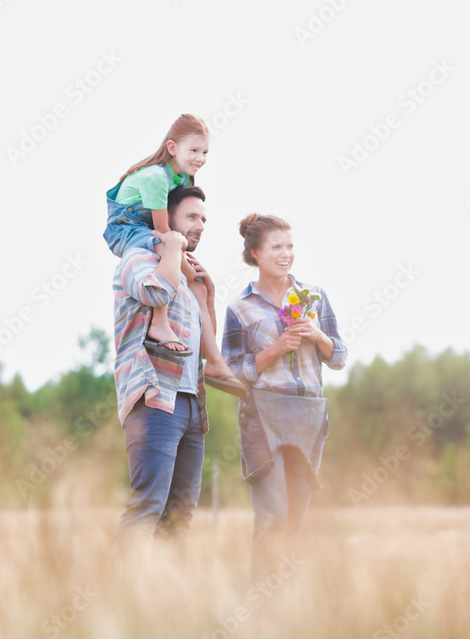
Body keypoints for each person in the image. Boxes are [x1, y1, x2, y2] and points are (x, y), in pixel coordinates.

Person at [222, 213, 347, 578]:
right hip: (263, 415)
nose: (286, 254)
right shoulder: (240, 308)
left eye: (290, 246)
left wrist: (317, 336)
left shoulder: (314, 297)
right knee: (272, 514)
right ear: (255, 253)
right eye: (277, 247)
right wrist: (275, 350)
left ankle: (290, 604)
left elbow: (338, 357)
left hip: (308, 414)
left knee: (297, 518)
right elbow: (231, 372)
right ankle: (261, 602)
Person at [103, 114, 244, 397]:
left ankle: (215, 361)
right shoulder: (157, 177)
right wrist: (185, 269)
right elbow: (164, 231)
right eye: (193, 150)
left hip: (146, 228)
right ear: (172, 148)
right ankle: (160, 322)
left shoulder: (178, 177)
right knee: (172, 247)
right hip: (126, 227)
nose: (200, 158)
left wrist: (197, 282)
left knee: (192, 278)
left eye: (204, 152)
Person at [112, 185, 219, 544]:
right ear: (166, 217)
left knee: (180, 514)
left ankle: (165, 596)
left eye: (204, 218)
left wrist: (208, 295)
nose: (201, 224)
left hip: (190, 403)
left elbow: (206, 349)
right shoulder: (136, 259)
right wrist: (172, 247)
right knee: (148, 506)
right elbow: (156, 292)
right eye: (192, 216)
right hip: (155, 397)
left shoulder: (187, 282)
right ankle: (118, 590)